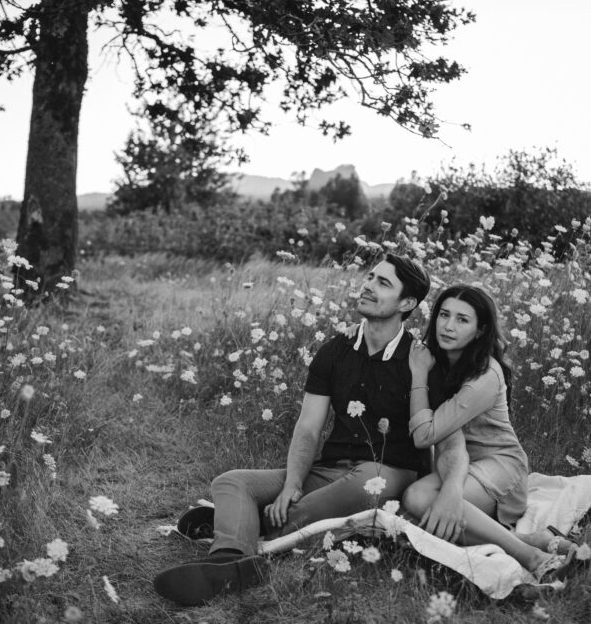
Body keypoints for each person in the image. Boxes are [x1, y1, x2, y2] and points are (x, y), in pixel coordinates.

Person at [153, 253, 453, 606]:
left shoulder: (421, 359)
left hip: (388, 472)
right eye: (370, 276)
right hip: (332, 469)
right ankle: (230, 560)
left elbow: (436, 436)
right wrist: (292, 484)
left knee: (357, 484)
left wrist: (435, 491)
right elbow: (309, 428)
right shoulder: (335, 350)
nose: (368, 285)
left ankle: (237, 525)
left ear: (407, 302)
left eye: (383, 283)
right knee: (231, 481)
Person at [401, 284, 574, 581]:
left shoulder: (485, 374)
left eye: (462, 320)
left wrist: (418, 376)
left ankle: (532, 558)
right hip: (458, 463)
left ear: (480, 331)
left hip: (500, 466)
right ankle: (530, 541)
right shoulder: (435, 360)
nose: (448, 326)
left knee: (417, 501)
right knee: (415, 510)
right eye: (444, 315)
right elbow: (446, 441)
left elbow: (424, 435)